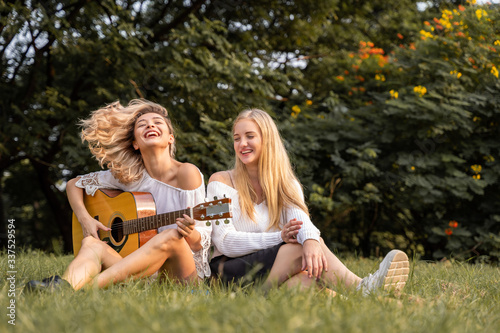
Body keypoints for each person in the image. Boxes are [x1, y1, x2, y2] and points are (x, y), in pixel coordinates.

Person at [207, 108, 409, 296]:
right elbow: (224, 241)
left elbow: (300, 220)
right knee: (298, 247)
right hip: (229, 273)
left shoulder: (286, 184)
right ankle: (364, 288)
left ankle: (379, 302)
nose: (242, 144)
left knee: (303, 281)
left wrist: (311, 240)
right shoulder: (220, 182)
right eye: (237, 138)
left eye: (250, 136)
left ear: (267, 140)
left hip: (272, 270)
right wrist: (280, 238)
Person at [27, 99, 211, 291]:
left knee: (172, 235)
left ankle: (85, 289)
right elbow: (75, 184)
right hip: (143, 273)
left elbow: (202, 240)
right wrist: (85, 219)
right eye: (142, 124)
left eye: (157, 122)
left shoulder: (187, 173)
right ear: (135, 144)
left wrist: (193, 234)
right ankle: (64, 287)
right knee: (91, 243)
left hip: (183, 274)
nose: (150, 125)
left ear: (170, 138)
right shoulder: (130, 177)